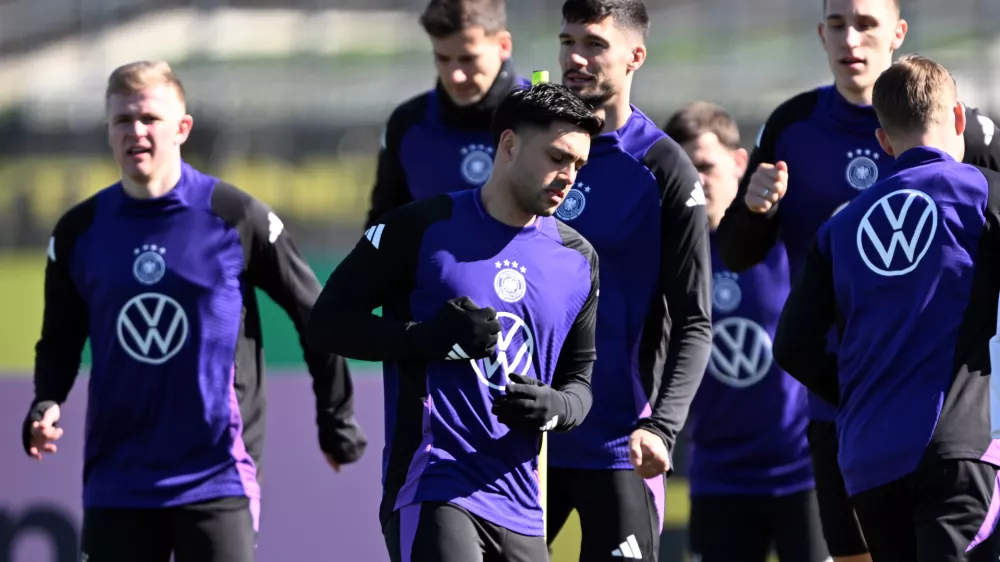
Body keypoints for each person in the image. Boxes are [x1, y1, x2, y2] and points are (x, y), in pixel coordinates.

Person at [21, 60, 367, 562]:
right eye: (122, 121)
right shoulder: (79, 231)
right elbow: (59, 339)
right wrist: (46, 401)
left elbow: (317, 313)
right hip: (116, 481)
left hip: (217, 476)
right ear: (108, 131)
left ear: (182, 128)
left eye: (149, 119)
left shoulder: (236, 216)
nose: (135, 131)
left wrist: (336, 419)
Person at [714, 1, 1000, 559]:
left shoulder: (972, 139)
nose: (852, 40)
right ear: (821, 35)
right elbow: (736, 253)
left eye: (865, 24)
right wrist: (753, 212)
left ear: (897, 33)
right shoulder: (792, 127)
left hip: (892, 423)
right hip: (846, 414)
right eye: (839, 26)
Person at [306, 82, 603, 562]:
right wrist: (425, 339)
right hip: (434, 484)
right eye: (557, 157)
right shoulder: (419, 227)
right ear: (508, 145)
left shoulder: (578, 259)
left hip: (524, 509)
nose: (568, 176)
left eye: (578, 165)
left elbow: (580, 384)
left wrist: (554, 407)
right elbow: (327, 323)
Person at [545, 1, 713, 560]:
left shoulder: (663, 169)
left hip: (619, 445)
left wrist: (662, 429)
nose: (575, 57)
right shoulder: (532, 154)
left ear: (635, 55)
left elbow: (694, 319)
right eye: (568, 41)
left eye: (594, 44)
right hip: (525, 442)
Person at [663, 102, 828, 562]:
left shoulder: (785, 237)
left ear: (739, 162)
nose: (693, 182)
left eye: (703, 166)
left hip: (803, 474)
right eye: (681, 170)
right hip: (720, 478)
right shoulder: (672, 256)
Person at [364, 0, 530, 228]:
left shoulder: (543, 118)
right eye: (443, 59)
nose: (455, 76)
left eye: (467, 59)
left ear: (503, 46)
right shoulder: (409, 123)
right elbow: (382, 227)